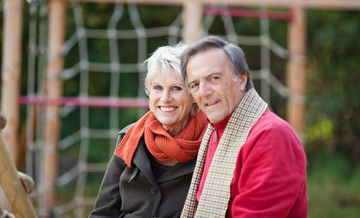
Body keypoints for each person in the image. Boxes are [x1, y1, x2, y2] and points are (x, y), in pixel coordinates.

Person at [180, 36, 308, 218]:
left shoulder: (270, 135)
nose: (204, 92)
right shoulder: (214, 131)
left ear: (241, 80)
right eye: (195, 85)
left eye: (214, 78)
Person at [89, 43, 207, 218]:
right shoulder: (129, 138)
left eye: (176, 88)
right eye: (158, 88)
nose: (165, 98)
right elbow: (103, 213)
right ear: (149, 91)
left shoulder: (210, 143)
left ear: (193, 95)